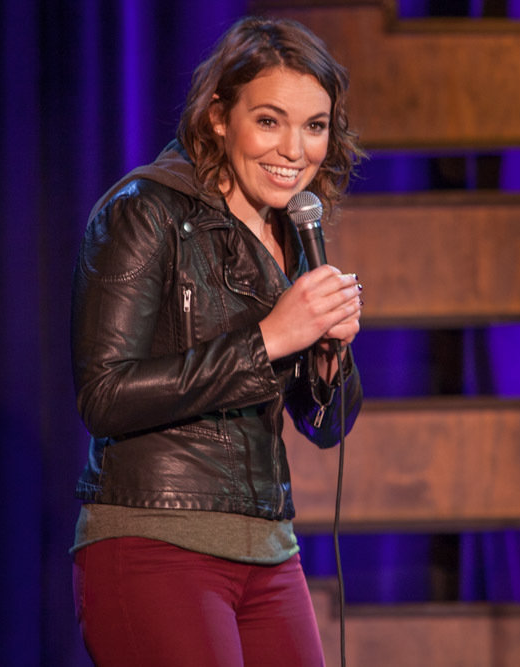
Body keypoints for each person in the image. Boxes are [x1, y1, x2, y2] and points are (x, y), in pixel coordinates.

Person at [69, 16, 365, 666]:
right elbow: (104, 393)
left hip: (267, 548)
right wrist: (268, 338)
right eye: (269, 120)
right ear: (218, 115)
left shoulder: (289, 234)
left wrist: (327, 354)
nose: (294, 149)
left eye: (314, 125)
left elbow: (328, 424)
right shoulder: (146, 210)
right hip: (155, 536)